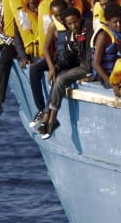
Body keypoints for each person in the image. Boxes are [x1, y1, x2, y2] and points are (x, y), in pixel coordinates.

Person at [37, 8, 92, 139]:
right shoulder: (70, 36)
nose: (74, 26)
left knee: (61, 80)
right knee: (58, 78)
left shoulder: (88, 27)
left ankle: (51, 120)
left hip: (88, 67)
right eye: (70, 24)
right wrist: (55, 67)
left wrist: (92, 73)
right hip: (82, 66)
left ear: (81, 19)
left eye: (76, 22)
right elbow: (67, 57)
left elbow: (91, 52)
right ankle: (49, 120)